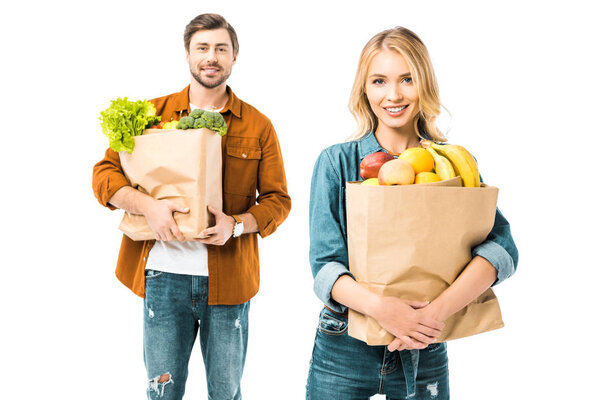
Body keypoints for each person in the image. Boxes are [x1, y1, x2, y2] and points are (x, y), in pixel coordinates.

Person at [306, 26, 518, 399]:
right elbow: (325, 266)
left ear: (425, 85)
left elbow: (501, 249)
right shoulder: (336, 163)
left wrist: (433, 314)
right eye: (379, 80)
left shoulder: (450, 163)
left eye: (407, 79)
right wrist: (383, 310)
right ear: (364, 89)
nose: (394, 94)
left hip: (427, 345)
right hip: (344, 344)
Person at [92, 13, 291, 400]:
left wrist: (236, 225)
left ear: (234, 57)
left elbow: (278, 201)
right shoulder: (150, 114)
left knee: (225, 392)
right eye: (202, 48)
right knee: (162, 393)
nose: (211, 57)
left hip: (230, 281)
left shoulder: (258, 125)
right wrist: (147, 205)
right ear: (188, 55)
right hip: (163, 277)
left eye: (221, 49)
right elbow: (104, 176)